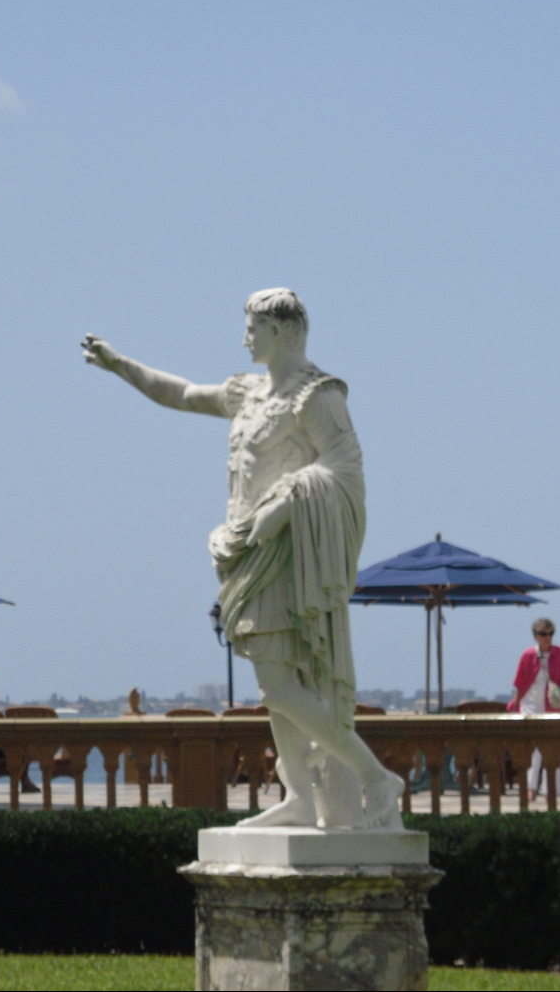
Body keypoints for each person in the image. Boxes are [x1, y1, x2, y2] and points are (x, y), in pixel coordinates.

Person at [83, 289, 405, 830]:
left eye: (253, 329)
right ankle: (301, 796)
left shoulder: (317, 396)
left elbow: (346, 472)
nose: (244, 339)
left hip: (286, 554)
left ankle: (374, 776)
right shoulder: (250, 393)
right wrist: (121, 366)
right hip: (244, 553)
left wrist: (285, 504)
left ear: (281, 333)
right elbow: (182, 393)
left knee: (281, 685)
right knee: (272, 686)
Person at [507, 617, 560, 800]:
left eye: (550, 633)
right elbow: (519, 682)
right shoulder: (528, 655)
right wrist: (515, 704)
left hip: (553, 705)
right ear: (536, 636)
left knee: (552, 746)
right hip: (530, 704)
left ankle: (550, 788)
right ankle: (531, 787)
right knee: (534, 748)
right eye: (543, 634)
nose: (548, 637)